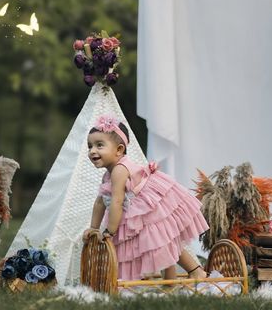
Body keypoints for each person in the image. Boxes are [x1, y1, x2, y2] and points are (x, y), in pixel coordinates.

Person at [82, 114, 209, 281]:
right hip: (138, 209)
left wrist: (109, 231)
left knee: (163, 242)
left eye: (99, 145)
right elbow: (100, 202)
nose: (92, 151)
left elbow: (117, 202)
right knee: (162, 242)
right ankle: (172, 281)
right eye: (90, 146)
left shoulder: (119, 171)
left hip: (151, 204)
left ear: (119, 150)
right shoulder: (108, 175)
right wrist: (93, 227)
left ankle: (194, 272)